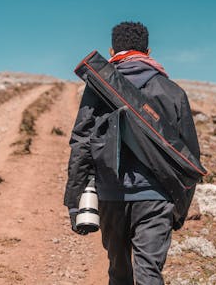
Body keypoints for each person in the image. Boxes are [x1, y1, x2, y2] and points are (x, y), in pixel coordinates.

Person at [64, 21, 200, 285]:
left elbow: (81, 143)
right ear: (148, 51)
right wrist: (179, 209)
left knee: (119, 272)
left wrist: (75, 201)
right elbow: (190, 157)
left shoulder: (98, 88)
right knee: (149, 273)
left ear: (112, 49)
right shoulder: (172, 92)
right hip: (157, 197)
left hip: (110, 195)